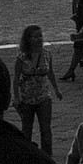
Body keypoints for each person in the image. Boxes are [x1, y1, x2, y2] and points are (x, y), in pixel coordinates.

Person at [13, 24, 61, 153]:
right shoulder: (22, 57)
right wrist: (16, 97)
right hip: (27, 98)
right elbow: (16, 78)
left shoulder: (47, 54)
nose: (39, 39)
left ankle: (47, 155)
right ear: (28, 39)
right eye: (35, 36)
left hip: (44, 96)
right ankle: (27, 155)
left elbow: (50, 73)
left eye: (40, 36)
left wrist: (56, 89)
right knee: (26, 130)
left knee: (46, 130)